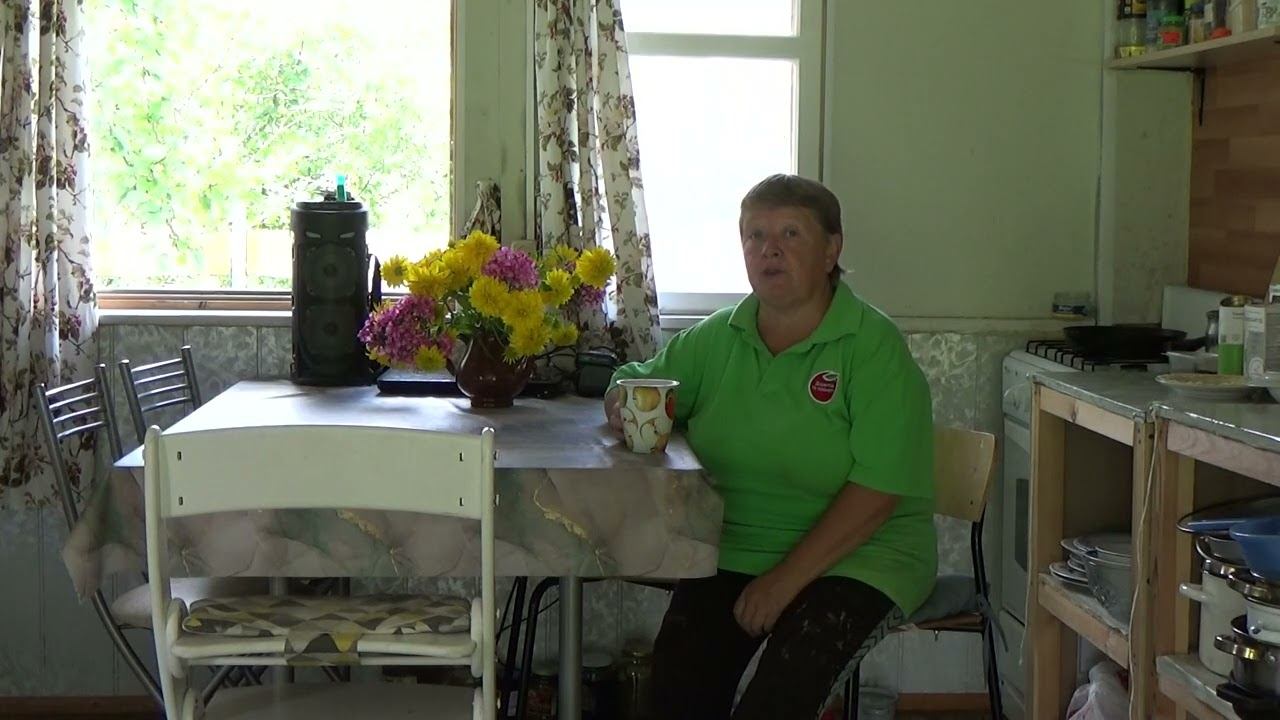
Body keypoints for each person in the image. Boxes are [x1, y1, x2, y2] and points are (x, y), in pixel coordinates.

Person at [604, 174, 936, 719]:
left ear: (831, 250)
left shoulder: (872, 347)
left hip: (862, 557)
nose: (769, 249)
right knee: (676, 689)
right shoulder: (720, 337)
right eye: (755, 235)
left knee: (777, 699)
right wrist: (620, 402)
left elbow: (880, 490)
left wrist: (783, 584)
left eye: (790, 234)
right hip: (738, 548)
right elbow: (637, 379)